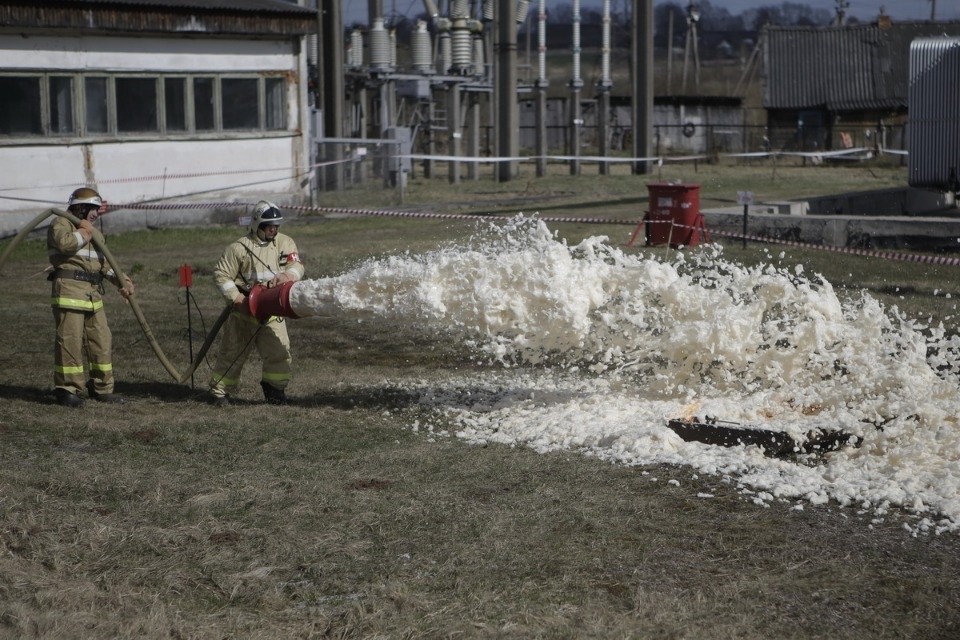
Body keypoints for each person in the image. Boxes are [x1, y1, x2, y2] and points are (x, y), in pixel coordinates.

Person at [209, 200, 304, 406]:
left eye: (276, 225)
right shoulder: (238, 249)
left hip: (272, 311)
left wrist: (288, 274)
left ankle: (275, 391)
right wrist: (237, 299)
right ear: (256, 225)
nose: (273, 229)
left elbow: (296, 265)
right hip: (244, 311)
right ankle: (220, 393)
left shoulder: (285, 243)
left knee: (279, 352)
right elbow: (222, 275)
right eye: (268, 225)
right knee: (232, 353)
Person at [47, 187, 135, 407]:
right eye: (93, 209)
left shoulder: (94, 232)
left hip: (92, 295)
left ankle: (101, 388)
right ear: (79, 207)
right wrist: (85, 232)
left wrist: (122, 281)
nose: (96, 214)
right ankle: (67, 390)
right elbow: (66, 244)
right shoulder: (61, 224)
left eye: (98, 209)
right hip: (69, 292)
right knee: (70, 343)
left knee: (101, 341)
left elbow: (104, 265)